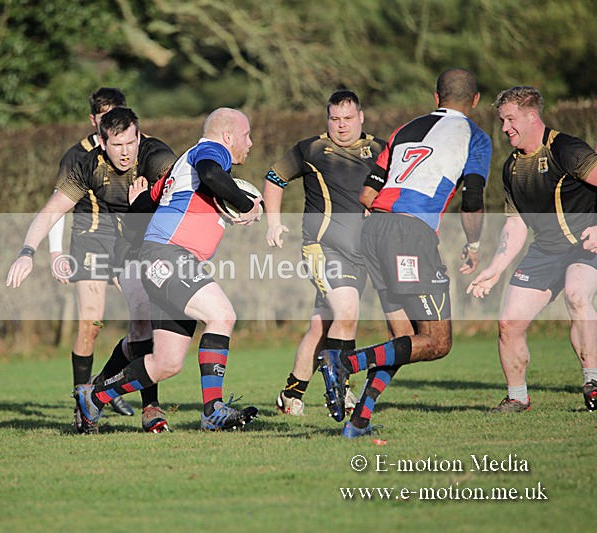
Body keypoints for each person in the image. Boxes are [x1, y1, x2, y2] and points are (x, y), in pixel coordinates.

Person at [67, 107, 262, 433]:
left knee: (167, 363)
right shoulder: (211, 151)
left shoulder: (179, 170)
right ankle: (213, 410)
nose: (251, 143)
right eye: (246, 135)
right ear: (228, 136)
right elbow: (214, 176)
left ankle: (94, 397)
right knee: (223, 315)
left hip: (162, 258)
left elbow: (144, 206)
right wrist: (246, 206)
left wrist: (139, 200)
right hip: (170, 257)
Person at [324, 68, 492, 437]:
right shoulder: (475, 137)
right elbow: (473, 198)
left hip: (375, 229)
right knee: (436, 342)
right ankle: (345, 362)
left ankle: (359, 422)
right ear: (475, 100)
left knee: (403, 341)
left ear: (436, 98)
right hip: (409, 234)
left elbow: (367, 195)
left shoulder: (405, 129)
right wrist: (474, 244)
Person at [6, 106, 176, 433]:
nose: (126, 152)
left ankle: (117, 399)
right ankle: (102, 404)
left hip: (143, 245)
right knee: (99, 323)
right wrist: (28, 252)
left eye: (131, 142)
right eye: (117, 145)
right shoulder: (85, 166)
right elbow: (52, 210)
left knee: (143, 328)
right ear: (101, 141)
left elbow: (186, 191)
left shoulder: (156, 157)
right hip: (106, 244)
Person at [468, 86, 597, 412]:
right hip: (546, 251)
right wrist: (495, 270)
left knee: (576, 294)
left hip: (584, 244)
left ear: (531, 116)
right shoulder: (511, 167)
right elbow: (516, 224)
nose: (505, 127)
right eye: (502, 120)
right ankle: (517, 397)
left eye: (510, 119)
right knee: (509, 323)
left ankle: (593, 383)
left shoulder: (566, 148)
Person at [264, 90, 386, 417]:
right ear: (327, 119)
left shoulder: (380, 149)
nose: (341, 126)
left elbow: (395, 191)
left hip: (363, 252)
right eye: (335, 119)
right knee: (346, 313)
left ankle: (290, 395)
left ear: (361, 117)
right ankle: (342, 391)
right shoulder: (312, 149)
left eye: (348, 119)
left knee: (323, 325)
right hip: (323, 248)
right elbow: (275, 179)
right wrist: (273, 223)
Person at [47, 88, 134, 419]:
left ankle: (105, 386)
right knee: (91, 323)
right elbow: (57, 205)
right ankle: (82, 406)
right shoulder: (77, 156)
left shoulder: (135, 149)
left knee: (148, 320)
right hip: (91, 242)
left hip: (128, 244)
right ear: (93, 120)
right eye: (103, 119)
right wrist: (56, 252)